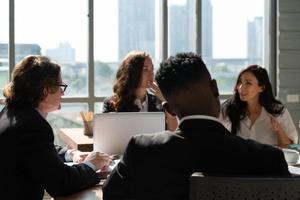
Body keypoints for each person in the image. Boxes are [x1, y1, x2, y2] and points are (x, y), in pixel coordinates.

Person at [102, 52, 290, 200]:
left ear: (169, 108)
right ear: (215, 89)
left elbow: (111, 194)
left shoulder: (141, 150)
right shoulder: (268, 158)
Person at [0, 55, 112, 199]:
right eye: (60, 87)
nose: (63, 93)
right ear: (45, 91)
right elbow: (61, 184)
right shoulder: (31, 126)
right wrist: (91, 164)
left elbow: (38, 152)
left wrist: (71, 154)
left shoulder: (11, 112)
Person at [220, 65, 298, 147]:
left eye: (248, 83)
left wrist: (278, 130)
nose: (240, 88)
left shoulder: (278, 111)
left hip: (269, 159)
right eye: (240, 82)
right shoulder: (228, 109)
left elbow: (290, 147)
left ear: (262, 88)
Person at [102, 50, 178, 131]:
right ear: (132, 72)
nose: (151, 73)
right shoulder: (112, 103)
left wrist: (164, 99)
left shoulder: (159, 102)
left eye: (152, 69)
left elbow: (173, 132)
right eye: (145, 69)